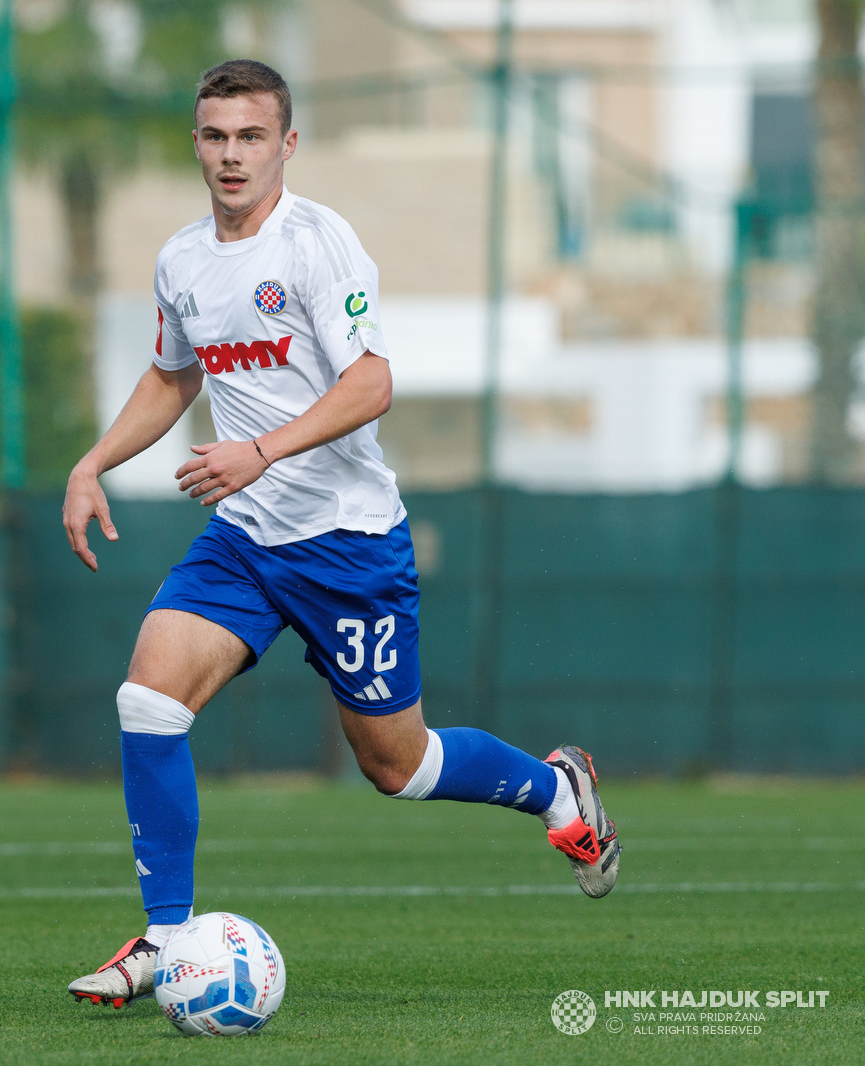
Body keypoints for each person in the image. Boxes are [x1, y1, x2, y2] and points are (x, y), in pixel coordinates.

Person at [62, 60, 620, 1007]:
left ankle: (558, 790)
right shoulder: (183, 259)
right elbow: (172, 375)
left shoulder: (319, 245)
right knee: (148, 698)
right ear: (195, 143)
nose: (231, 155)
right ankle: (166, 939)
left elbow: (372, 384)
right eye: (214, 136)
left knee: (397, 766)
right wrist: (92, 463)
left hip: (347, 543)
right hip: (242, 538)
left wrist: (262, 451)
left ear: (287, 144)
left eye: (251, 137)